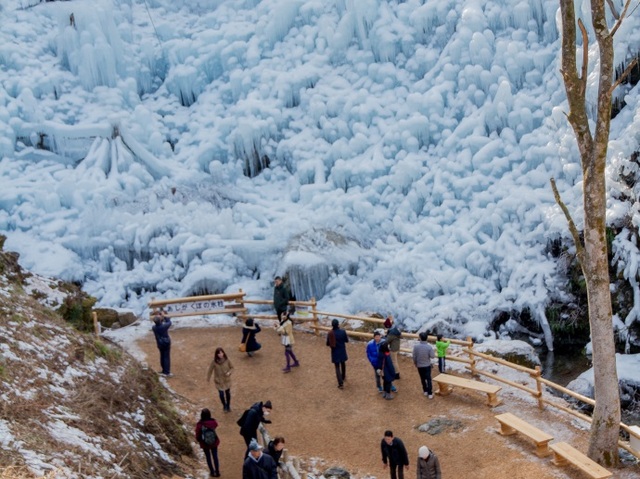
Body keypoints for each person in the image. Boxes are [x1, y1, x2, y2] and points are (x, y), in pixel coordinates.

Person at [195, 408, 220, 477]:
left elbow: (197, 434)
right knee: (215, 456)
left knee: (208, 457)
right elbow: (216, 425)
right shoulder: (213, 422)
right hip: (214, 441)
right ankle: (217, 472)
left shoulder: (200, 424)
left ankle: (212, 472)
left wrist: (199, 440)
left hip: (204, 443)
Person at [207, 347, 234, 412]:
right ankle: (224, 405)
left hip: (226, 380)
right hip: (219, 381)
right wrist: (208, 378)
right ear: (216, 354)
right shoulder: (214, 362)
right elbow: (210, 370)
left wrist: (229, 372)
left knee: (227, 393)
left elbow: (232, 368)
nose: (221, 354)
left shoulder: (227, 360)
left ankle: (228, 405)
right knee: (221, 394)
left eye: (222, 353)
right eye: (219, 353)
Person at [326, 318, 349, 389]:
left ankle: (340, 383)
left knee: (337, 367)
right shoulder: (343, 331)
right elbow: (346, 340)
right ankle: (343, 376)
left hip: (335, 351)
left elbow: (327, 343)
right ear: (338, 324)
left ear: (332, 325)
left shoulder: (330, 333)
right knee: (343, 363)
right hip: (342, 350)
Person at [412, 332, 436, 398]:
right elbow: (432, 356)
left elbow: (414, 356)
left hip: (419, 365)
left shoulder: (416, 347)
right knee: (428, 379)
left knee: (422, 378)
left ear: (420, 338)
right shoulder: (429, 347)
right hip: (427, 365)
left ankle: (425, 391)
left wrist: (415, 363)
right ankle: (430, 393)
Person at [151, 309, 172, 376]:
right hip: (166, 343)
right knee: (166, 357)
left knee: (162, 356)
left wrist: (160, 317)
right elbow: (169, 322)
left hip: (159, 344)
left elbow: (160, 321)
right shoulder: (163, 326)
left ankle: (163, 370)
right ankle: (167, 372)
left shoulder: (154, 327)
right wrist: (164, 316)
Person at [384, 315, 402, 380]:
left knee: (394, 361)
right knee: (395, 360)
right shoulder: (395, 329)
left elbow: (387, 340)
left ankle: (397, 374)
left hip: (394, 348)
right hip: (396, 346)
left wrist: (384, 337)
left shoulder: (392, 332)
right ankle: (396, 373)